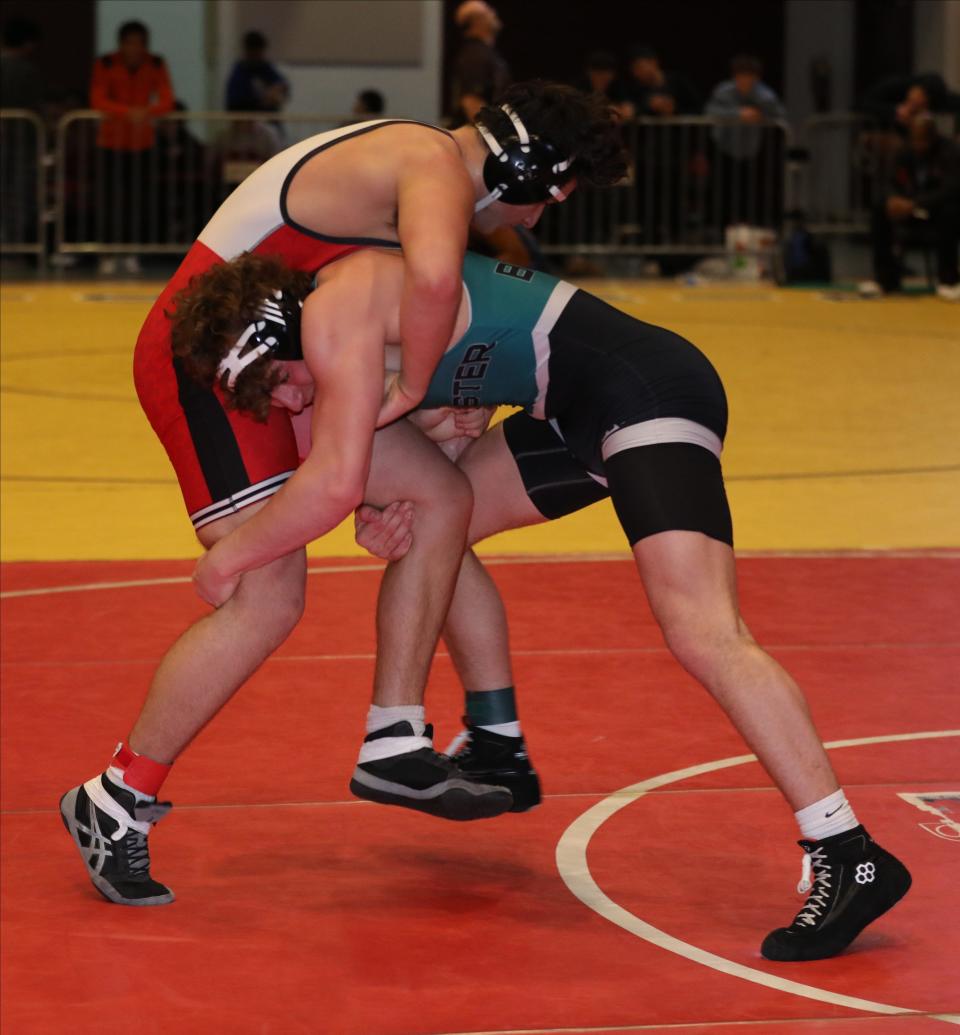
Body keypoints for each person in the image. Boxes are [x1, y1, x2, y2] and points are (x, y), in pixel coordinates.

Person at [206, 244, 912, 963]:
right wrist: (399, 491)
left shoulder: (340, 308)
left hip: (645, 392)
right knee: (436, 523)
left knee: (704, 629)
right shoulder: (365, 317)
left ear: (285, 333)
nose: (292, 401)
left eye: (282, 382)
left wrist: (229, 555)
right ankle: (497, 742)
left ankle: (847, 849)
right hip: (575, 407)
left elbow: (332, 478)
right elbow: (420, 456)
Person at [59, 82, 627, 906]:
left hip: (291, 351)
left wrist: (412, 404)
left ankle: (395, 735)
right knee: (267, 591)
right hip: (214, 353)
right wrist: (412, 392)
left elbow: (394, 304)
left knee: (439, 496)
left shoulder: (415, 168)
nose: (535, 220)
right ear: (529, 166)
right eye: (548, 200)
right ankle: (116, 800)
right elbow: (434, 286)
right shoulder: (431, 161)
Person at [89, 20, 174, 275]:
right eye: (130, 43)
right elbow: (98, 99)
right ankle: (108, 251)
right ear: (121, 44)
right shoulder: (106, 64)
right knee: (109, 200)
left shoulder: (156, 64)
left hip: (142, 143)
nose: (134, 48)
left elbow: (167, 99)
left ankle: (132, 251)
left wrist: (146, 112)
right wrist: (128, 113)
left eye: (139, 43)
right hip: (111, 142)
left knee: (137, 201)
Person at [859, 115, 960, 301]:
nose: (917, 145)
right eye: (915, 140)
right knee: (880, 210)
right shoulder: (904, 151)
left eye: (922, 141)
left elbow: (951, 188)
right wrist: (893, 199)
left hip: (935, 208)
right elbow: (890, 181)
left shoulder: (948, 151)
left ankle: (948, 280)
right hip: (909, 208)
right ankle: (885, 280)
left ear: (932, 138)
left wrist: (916, 203)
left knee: (951, 211)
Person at [704, 54, 786, 229]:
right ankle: (721, 229)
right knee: (723, 190)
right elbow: (710, 112)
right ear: (734, 76)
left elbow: (779, 115)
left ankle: (751, 229)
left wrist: (761, 115)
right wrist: (738, 114)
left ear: (756, 78)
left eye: (749, 76)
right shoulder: (723, 91)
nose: (744, 80)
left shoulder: (766, 96)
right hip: (724, 147)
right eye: (740, 76)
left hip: (751, 150)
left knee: (750, 192)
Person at [449, 0, 510, 125]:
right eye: (488, 10)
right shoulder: (475, 56)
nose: (493, 13)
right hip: (477, 138)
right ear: (477, 20)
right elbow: (471, 101)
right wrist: (494, 135)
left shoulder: (481, 53)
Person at [225, 31, 290, 115]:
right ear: (248, 51)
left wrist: (277, 88)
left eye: (261, 53)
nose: (260, 56)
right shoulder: (239, 72)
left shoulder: (264, 67)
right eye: (256, 53)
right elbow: (236, 103)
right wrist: (264, 100)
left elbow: (282, 83)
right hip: (246, 120)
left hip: (268, 119)